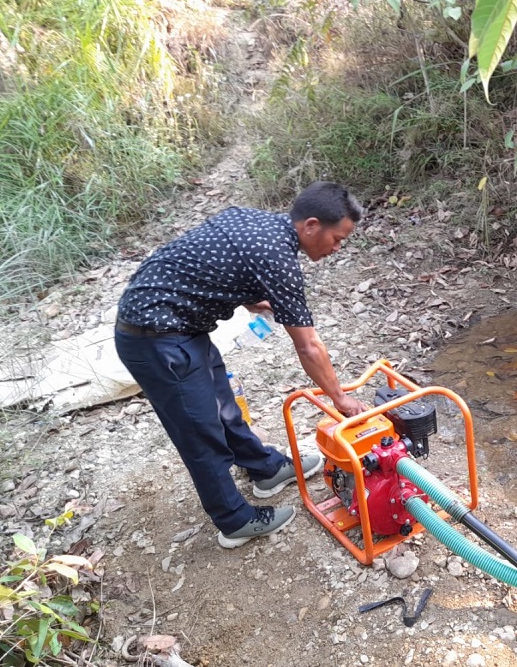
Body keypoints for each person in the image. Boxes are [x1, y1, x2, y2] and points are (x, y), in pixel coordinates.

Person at [115, 181, 369, 548]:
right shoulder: (277, 258)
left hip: (182, 327)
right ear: (311, 225)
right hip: (154, 338)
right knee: (201, 432)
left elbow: (216, 261)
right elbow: (308, 345)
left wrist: (250, 297)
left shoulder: (255, 222)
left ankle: (264, 468)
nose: (337, 247)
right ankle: (234, 520)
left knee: (223, 407)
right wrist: (340, 399)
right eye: (337, 238)